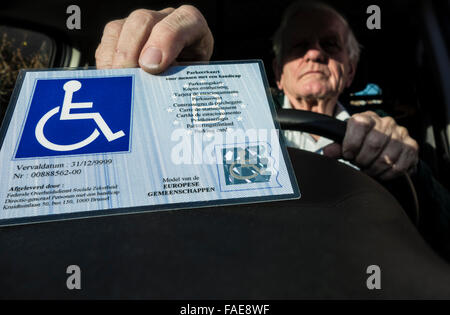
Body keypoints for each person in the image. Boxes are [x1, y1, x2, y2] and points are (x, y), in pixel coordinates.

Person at [95, 2, 449, 257]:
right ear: (278, 73)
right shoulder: (237, 124)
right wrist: (172, 90)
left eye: (330, 44)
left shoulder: (386, 136)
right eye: (299, 46)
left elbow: (442, 228)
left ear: (350, 71)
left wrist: (411, 171)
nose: (314, 54)